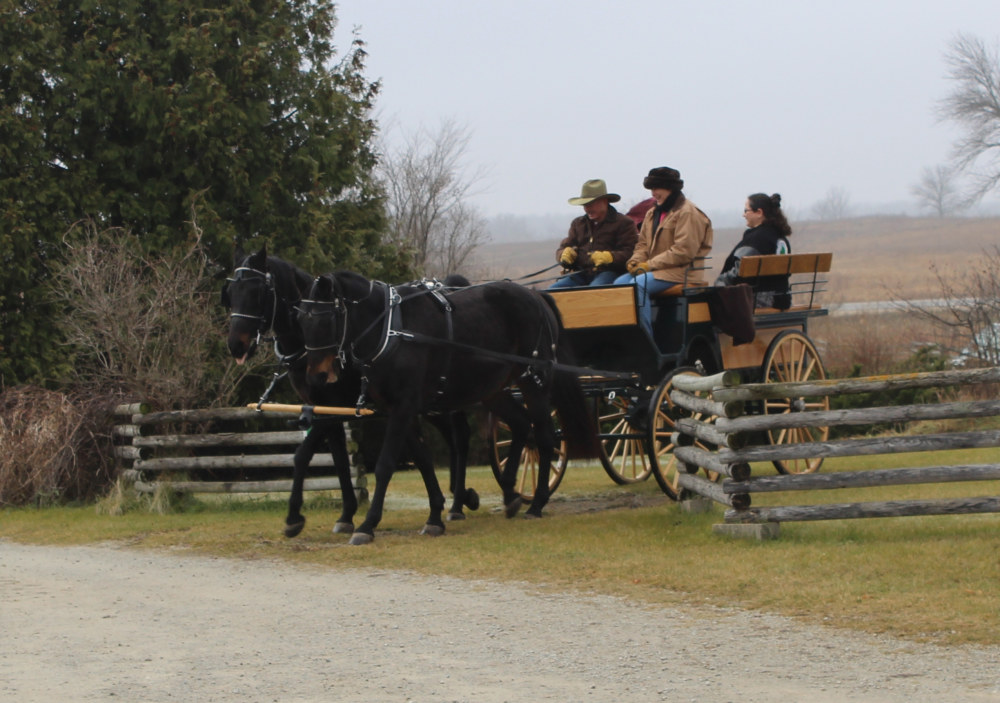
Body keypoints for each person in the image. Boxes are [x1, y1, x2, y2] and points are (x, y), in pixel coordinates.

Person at [614, 167, 713, 335]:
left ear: (670, 189)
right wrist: (635, 261)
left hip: (683, 272)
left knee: (638, 285)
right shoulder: (653, 213)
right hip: (658, 271)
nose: (653, 193)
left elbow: (683, 252)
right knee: (617, 285)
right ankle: (624, 335)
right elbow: (643, 244)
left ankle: (645, 339)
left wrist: (649, 265)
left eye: (656, 188)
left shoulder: (688, 213)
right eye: (651, 189)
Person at [550, 180, 638, 289]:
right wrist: (563, 255)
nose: (587, 209)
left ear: (604, 202)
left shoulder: (624, 223)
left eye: (591, 204)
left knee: (593, 291)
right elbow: (565, 247)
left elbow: (631, 253)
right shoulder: (578, 224)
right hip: (580, 274)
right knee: (552, 292)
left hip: (610, 273)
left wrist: (610, 258)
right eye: (584, 205)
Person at [715, 193, 792, 310]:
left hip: (760, 299)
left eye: (746, 210)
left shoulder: (758, 238)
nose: (743, 214)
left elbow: (741, 272)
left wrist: (719, 283)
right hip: (783, 298)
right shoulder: (779, 236)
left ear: (759, 213)